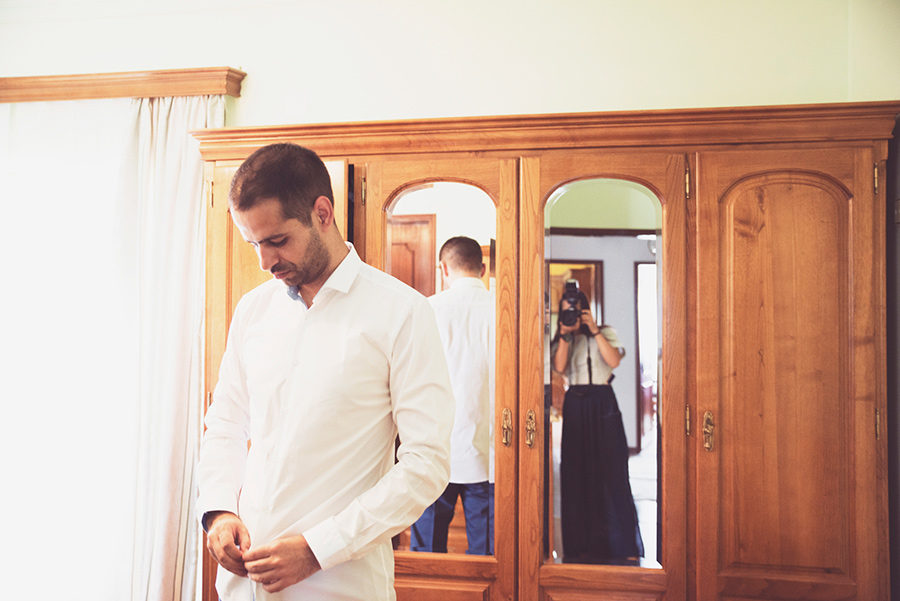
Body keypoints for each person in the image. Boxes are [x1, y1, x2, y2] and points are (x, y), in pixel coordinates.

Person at [197, 143, 455, 601]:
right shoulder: (254, 310)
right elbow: (226, 421)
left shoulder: (401, 313)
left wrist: (319, 549)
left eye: (277, 240)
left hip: (339, 585)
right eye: (254, 243)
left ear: (322, 212)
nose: (265, 261)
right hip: (243, 586)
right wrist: (218, 512)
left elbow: (426, 465)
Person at [410, 236, 495, 555]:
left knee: (428, 554)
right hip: (488, 455)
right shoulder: (501, 310)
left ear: (443, 267)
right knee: (487, 558)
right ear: (483, 269)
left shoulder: (428, 309)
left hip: (435, 450)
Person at [551, 281, 644, 564]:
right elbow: (559, 368)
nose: (573, 314)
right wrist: (567, 335)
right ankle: (579, 544)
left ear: (586, 309)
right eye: (567, 311)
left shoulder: (606, 332)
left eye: (576, 309)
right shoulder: (563, 337)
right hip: (576, 403)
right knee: (576, 471)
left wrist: (593, 330)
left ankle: (619, 543)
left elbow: (614, 361)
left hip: (603, 401)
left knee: (612, 470)